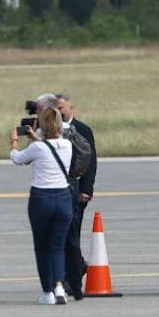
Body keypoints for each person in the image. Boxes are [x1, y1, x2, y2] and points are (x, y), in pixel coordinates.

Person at [10, 104, 73, 305]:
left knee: (42, 246)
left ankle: (47, 291)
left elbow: (18, 159)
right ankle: (60, 287)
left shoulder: (37, 147)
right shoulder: (67, 145)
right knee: (58, 247)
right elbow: (49, 148)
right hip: (63, 197)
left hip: (41, 198)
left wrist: (13, 142)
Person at [55, 93, 97, 300]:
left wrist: (86, 189)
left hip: (77, 189)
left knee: (73, 236)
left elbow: (91, 161)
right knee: (64, 237)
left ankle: (73, 280)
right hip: (60, 190)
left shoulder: (83, 130)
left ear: (71, 108)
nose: (60, 111)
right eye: (56, 108)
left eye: (62, 107)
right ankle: (73, 271)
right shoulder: (51, 132)